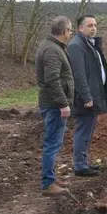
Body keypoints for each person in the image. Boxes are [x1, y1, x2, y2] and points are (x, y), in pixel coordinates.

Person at [67, 14, 107, 177]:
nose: (93, 28)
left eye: (95, 25)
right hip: (84, 98)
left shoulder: (90, 44)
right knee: (83, 130)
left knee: (88, 130)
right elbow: (78, 75)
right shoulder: (76, 46)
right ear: (80, 28)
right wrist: (86, 97)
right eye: (89, 25)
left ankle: (84, 162)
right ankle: (80, 165)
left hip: (93, 95)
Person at [35, 16, 75, 195]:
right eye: (70, 30)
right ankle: (48, 184)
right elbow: (52, 80)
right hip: (53, 105)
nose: (71, 33)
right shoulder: (52, 50)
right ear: (64, 31)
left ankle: (51, 177)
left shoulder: (53, 46)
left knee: (54, 142)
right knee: (52, 143)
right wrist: (63, 103)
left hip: (53, 104)